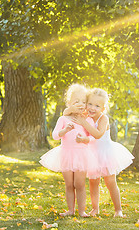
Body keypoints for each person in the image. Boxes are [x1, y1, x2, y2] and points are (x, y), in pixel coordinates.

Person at [70, 88, 134, 218]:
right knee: (93, 183)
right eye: (90, 104)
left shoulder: (103, 119)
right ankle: (95, 208)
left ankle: (118, 210)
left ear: (103, 108)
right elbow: (86, 134)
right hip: (92, 155)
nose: (92, 108)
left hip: (105, 154)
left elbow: (98, 134)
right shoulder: (86, 117)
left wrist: (83, 123)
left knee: (110, 182)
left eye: (97, 106)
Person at [39, 83, 98, 217]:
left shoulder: (86, 119)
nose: (80, 104)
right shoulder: (63, 118)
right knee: (69, 184)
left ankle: (82, 211)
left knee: (80, 184)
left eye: (83, 101)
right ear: (69, 103)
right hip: (66, 154)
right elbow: (54, 135)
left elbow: (92, 137)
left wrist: (83, 138)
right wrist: (65, 130)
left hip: (81, 155)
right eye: (76, 101)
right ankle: (70, 210)